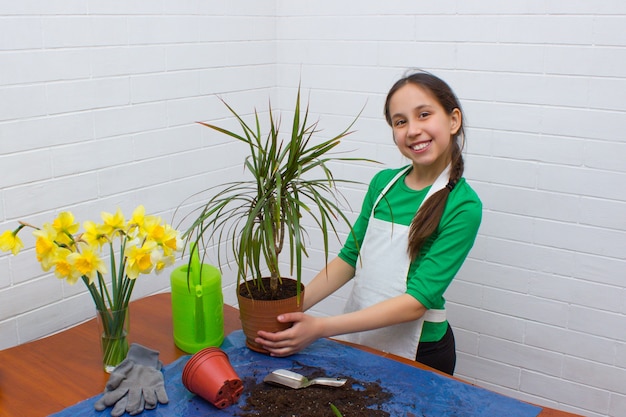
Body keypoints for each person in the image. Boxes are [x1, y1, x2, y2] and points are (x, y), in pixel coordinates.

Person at [255, 71, 482, 375]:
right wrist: (289, 311)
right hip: (361, 335)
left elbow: (416, 301)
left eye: (424, 114)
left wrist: (321, 328)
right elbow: (350, 258)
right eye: (400, 122)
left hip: (420, 351)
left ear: (453, 120)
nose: (413, 130)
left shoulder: (463, 205)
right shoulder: (382, 184)